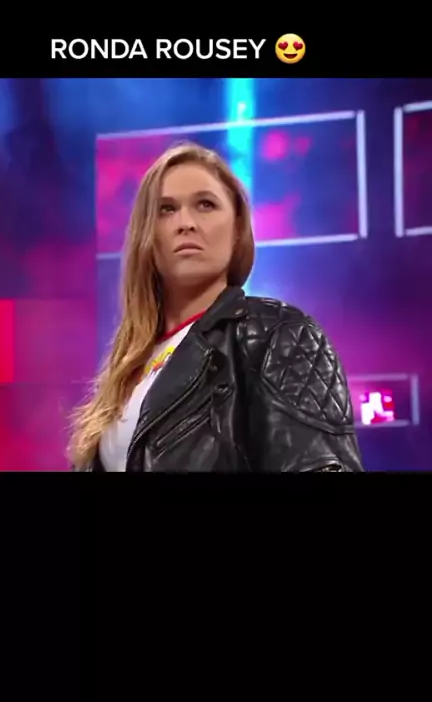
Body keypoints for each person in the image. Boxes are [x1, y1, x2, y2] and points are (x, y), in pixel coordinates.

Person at [69, 142, 363, 472]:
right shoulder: (128, 364)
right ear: (147, 235)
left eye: (205, 205)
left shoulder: (277, 334)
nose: (185, 223)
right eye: (166, 209)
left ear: (237, 230)